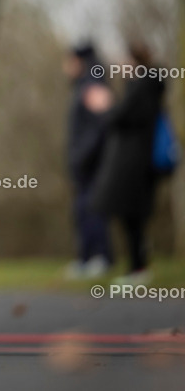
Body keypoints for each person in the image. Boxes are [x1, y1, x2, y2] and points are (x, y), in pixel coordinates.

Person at [90, 41, 167, 284]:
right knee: (133, 217)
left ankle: (138, 269)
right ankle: (137, 266)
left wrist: (105, 106)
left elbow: (123, 117)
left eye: (124, 61)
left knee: (133, 217)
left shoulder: (142, 86)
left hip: (135, 163)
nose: (120, 66)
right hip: (137, 162)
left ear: (133, 61)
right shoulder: (143, 86)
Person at [63, 42, 114, 279]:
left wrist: (82, 156)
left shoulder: (93, 86)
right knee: (84, 211)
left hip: (92, 163)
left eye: (69, 61)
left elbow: (100, 126)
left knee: (92, 209)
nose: (65, 67)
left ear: (79, 61)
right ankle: (88, 258)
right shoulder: (85, 85)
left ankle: (99, 258)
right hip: (85, 162)